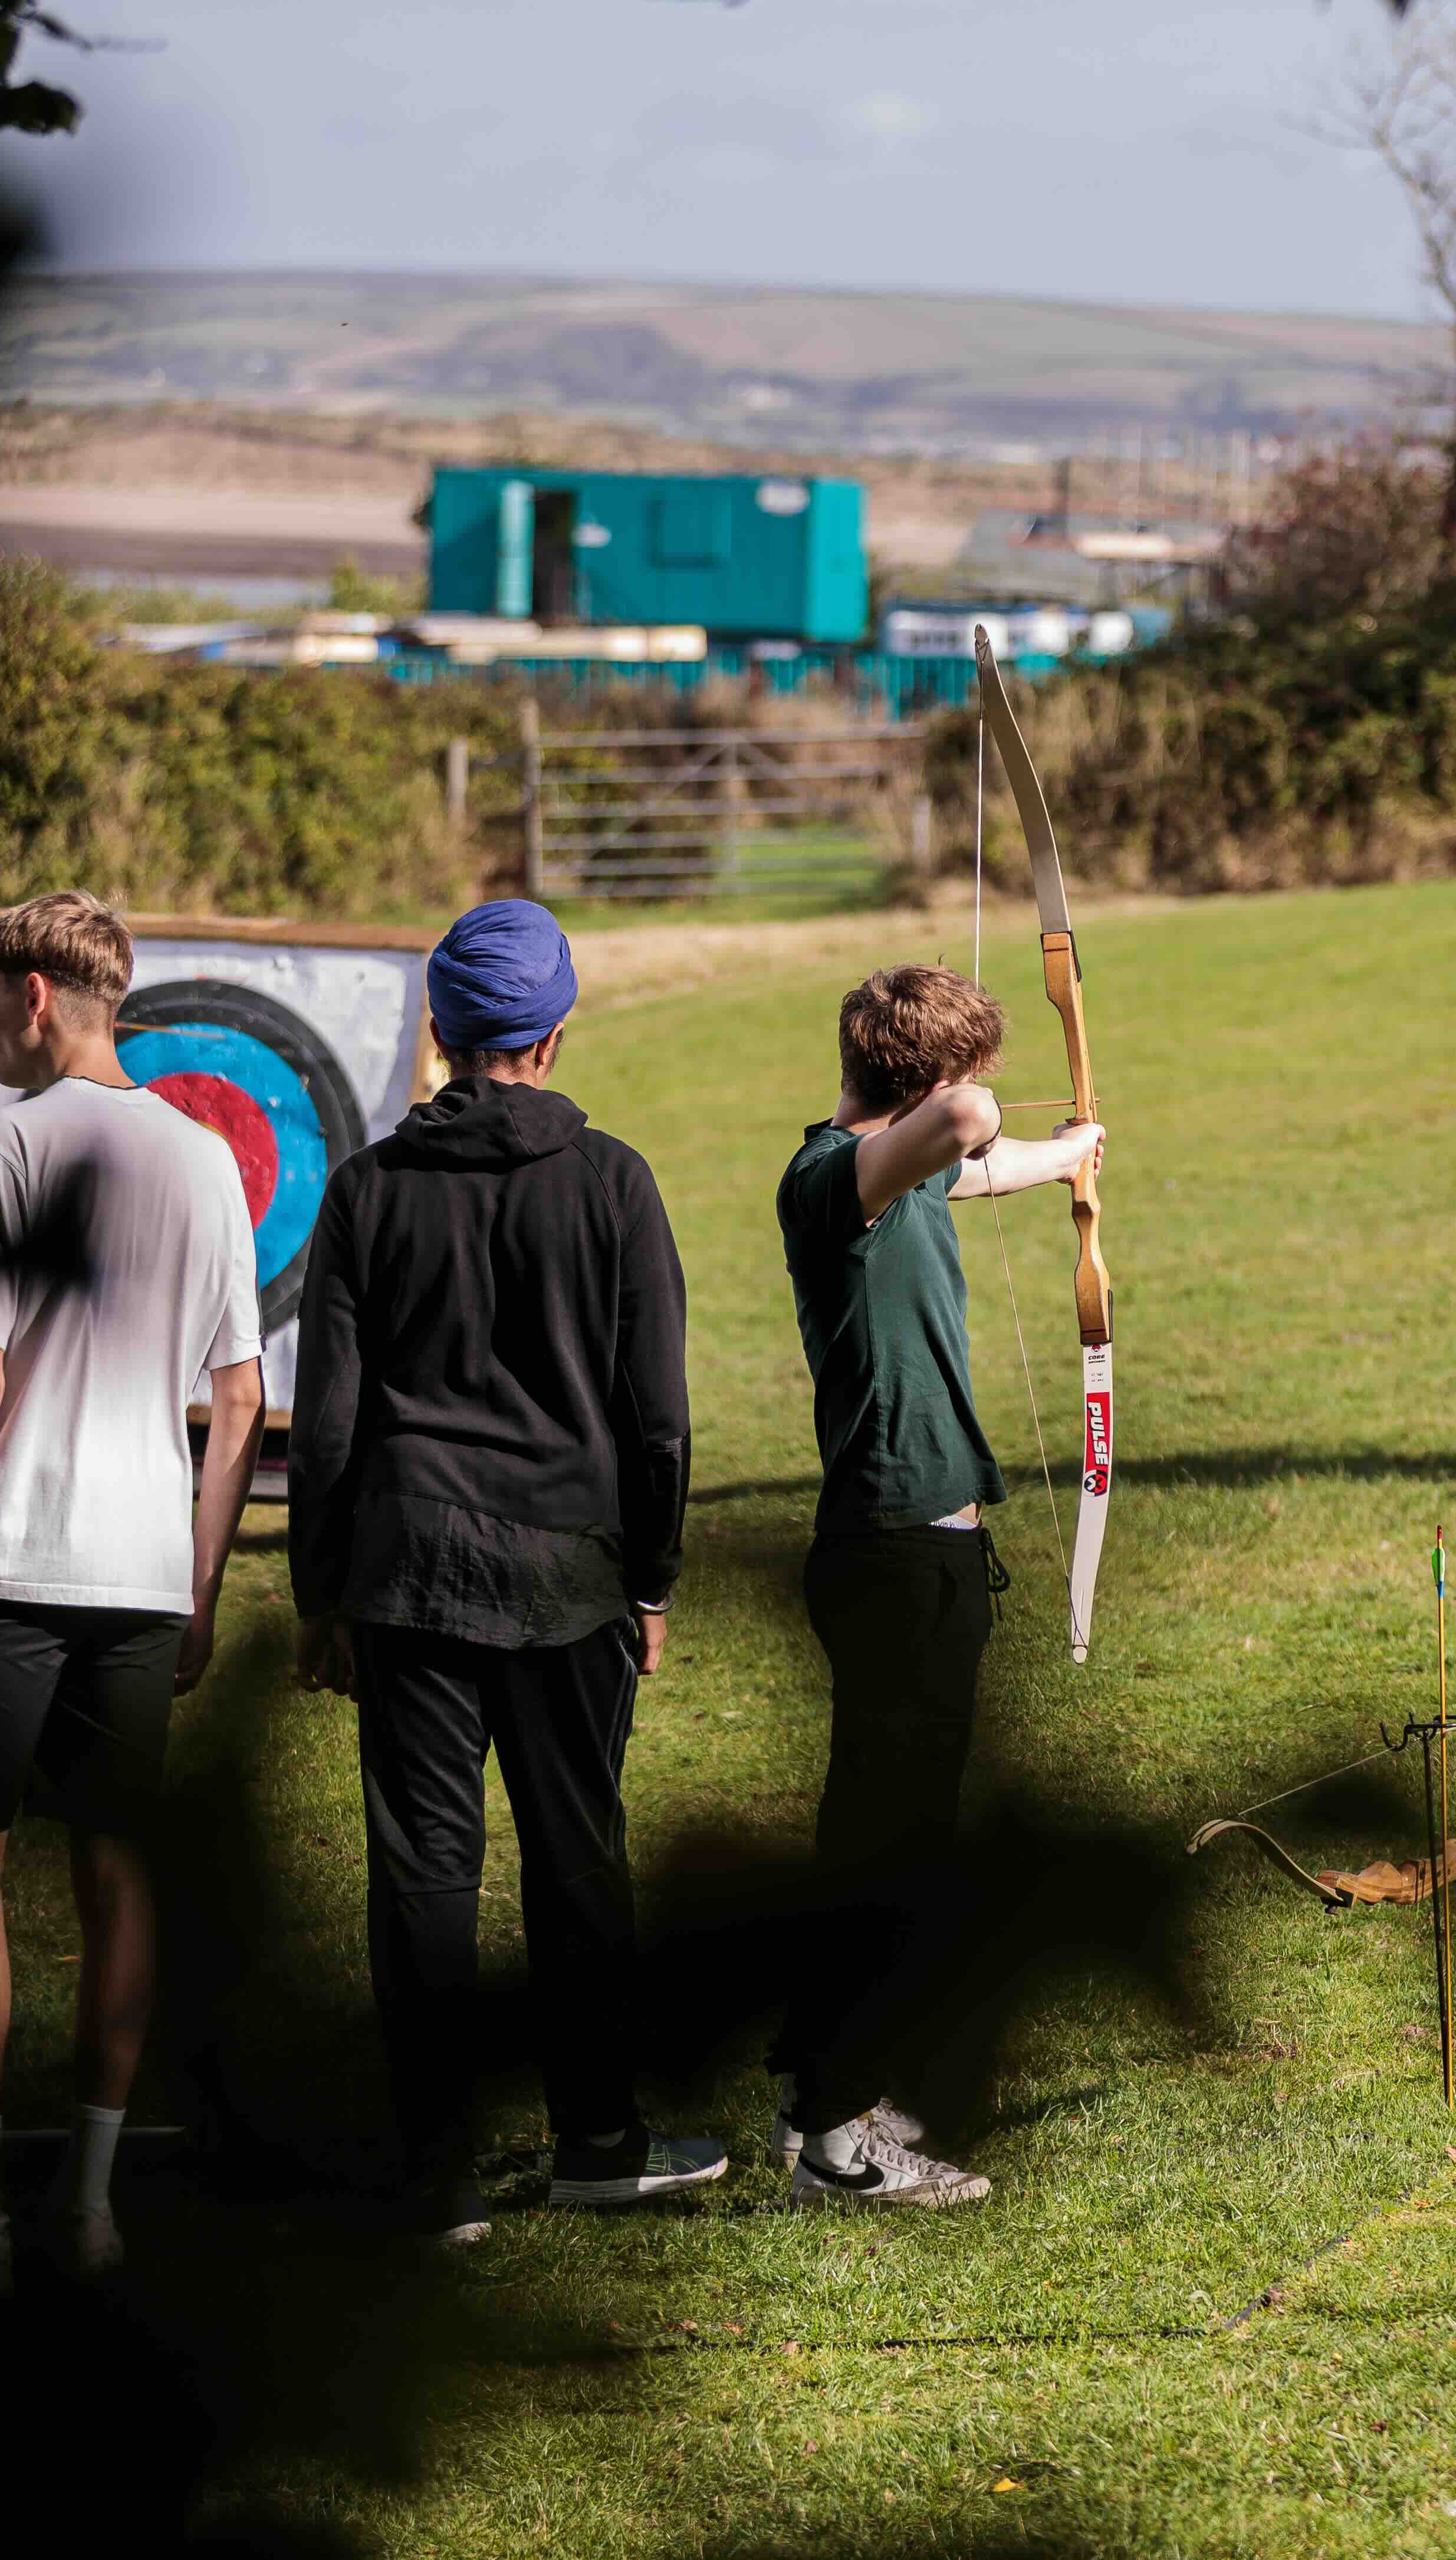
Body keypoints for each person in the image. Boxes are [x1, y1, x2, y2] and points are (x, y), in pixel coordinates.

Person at [288, 899, 715, 2243]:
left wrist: (322, 1594)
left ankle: (438, 2175)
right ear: (555, 1032)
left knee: (425, 1869)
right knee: (577, 1855)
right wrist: (653, 1580)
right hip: (574, 1574)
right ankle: (597, 2137)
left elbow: (333, 1424)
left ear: (442, 1034)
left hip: (408, 1571)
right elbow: (657, 1416)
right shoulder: (614, 1179)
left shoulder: (365, 1189)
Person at [0, 891, 267, 2292]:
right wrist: (204, 1581)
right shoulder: (207, 1158)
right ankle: (92, 2199)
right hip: (145, 1571)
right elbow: (238, 1396)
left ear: (38, 994)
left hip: (12, 1563)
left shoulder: (11, 1142)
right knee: (115, 1868)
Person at [764, 963, 1103, 2208]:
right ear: (926, 1081)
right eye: (956, 1072)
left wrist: (1071, 1153)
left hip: (925, 1549)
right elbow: (963, 1126)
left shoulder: (895, 1178)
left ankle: (818, 2084)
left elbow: (976, 1158)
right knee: (889, 1849)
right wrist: (977, 1102)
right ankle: (840, 2148)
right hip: (896, 1549)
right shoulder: (832, 1180)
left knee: (879, 1833)